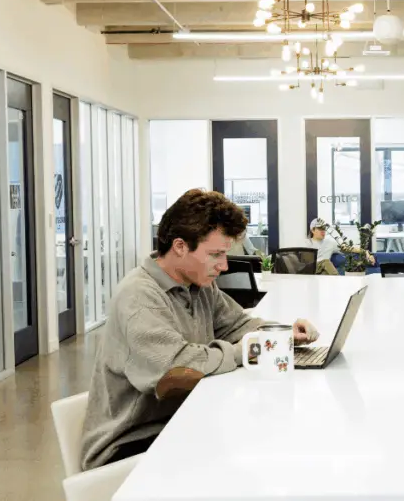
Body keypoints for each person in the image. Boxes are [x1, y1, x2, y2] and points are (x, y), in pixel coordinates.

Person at [79, 189, 320, 471]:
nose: (224, 265)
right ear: (180, 246)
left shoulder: (199, 285)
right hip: (132, 441)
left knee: (270, 438)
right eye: (215, 254)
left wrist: (282, 334)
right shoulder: (139, 297)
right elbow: (176, 368)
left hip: (180, 419)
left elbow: (237, 325)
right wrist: (248, 350)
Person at [307, 218, 375, 275]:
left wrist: (366, 252)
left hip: (323, 272)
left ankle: (338, 283)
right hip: (308, 270)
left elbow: (348, 248)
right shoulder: (305, 243)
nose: (323, 231)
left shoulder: (330, 242)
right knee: (325, 262)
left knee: (326, 265)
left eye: (324, 228)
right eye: (320, 229)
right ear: (312, 230)